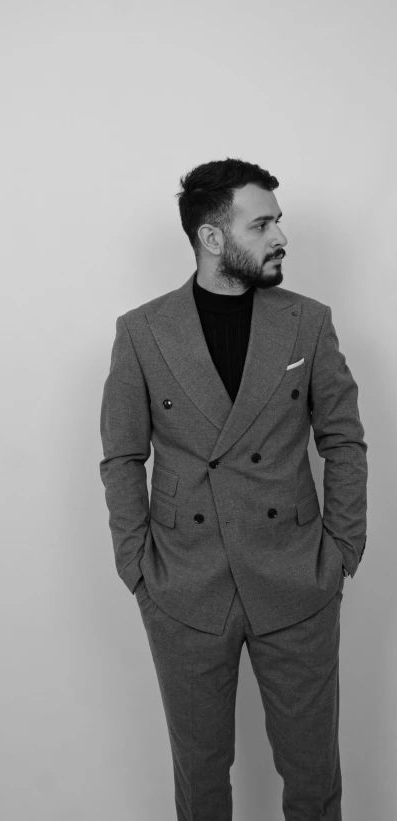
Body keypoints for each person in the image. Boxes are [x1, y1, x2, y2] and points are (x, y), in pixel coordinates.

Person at [99, 158, 367, 821]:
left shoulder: (307, 321)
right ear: (214, 238)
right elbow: (123, 455)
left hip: (296, 576)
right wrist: (139, 566)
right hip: (185, 583)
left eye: (279, 220)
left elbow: (344, 439)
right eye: (264, 223)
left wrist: (340, 551)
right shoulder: (142, 331)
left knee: (313, 780)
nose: (281, 237)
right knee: (200, 780)